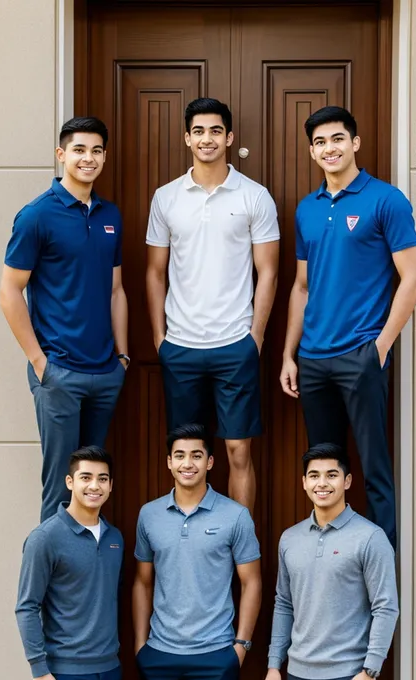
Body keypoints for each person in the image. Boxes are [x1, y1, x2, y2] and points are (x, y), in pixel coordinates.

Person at [279, 105, 416, 549]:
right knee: (324, 470)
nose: (329, 148)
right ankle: (329, 559)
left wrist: (380, 346)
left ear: (355, 143)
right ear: (312, 150)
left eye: (337, 139)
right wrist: (289, 353)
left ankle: (384, 586)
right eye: (320, 142)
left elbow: (413, 278)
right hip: (314, 359)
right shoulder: (307, 208)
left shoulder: (386, 199)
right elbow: (301, 287)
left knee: (374, 468)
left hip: (361, 354)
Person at [146, 98, 280, 514]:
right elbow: (154, 272)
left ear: (230, 137)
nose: (208, 139)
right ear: (187, 138)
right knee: (188, 457)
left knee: (239, 450)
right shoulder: (166, 197)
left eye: (216, 131)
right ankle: (192, 552)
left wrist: (254, 337)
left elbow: (269, 272)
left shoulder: (255, 196)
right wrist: (159, 339)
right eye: (199, 131)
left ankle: (242, 558)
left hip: (234, 344)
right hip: (181, 347)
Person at [0, 116, 129, 521]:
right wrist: (41, 364)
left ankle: (87, 579)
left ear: (104, 156)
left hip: (105, 372)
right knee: (61, 487)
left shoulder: (111, 216)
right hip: (59, 372)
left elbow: (116, 290)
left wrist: (121, 359)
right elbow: (9, 292)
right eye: (78, 149)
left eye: (96, 150)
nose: (87, 158)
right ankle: (48, 585)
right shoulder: (37, 216)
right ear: (61, 155)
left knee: (94, 487)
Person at [133, 423, 262, 680]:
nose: (187, 463)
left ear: (210, 461)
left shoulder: (235, 515)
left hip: (217, 652)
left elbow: (251, 582)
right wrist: (141, 646)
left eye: (196, 455)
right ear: (169, 462)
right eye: (179, 455)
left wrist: (240, 646)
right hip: (160, 653)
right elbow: (142, 581)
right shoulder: (149, 514)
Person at [261, 442, 399, 680]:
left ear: (347, 481)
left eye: (332, 475)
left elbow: (386, 606)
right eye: (314, 475)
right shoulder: (289, 538)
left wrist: (370, 672)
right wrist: (274, 665)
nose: (322, 483)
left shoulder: (370, 537)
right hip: (298, 678)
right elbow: (284, 604)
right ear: (303, 482)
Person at [15, 446, 123, 680]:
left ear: (110, 486)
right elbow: (26, 607)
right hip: (64, 675)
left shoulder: (115, 539)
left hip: (109, 672)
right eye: (85, 477)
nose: (94, 486)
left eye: (102, 478)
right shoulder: (45, 538)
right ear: (70, 482)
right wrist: (40, 671)